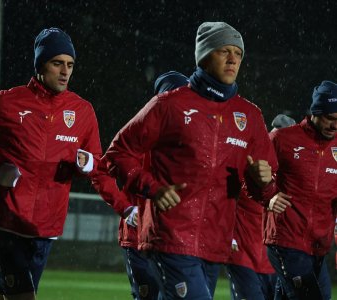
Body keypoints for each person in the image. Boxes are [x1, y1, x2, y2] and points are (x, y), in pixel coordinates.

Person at [105, 21, 277, 299]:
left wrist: (264, 184)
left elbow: (263, 191)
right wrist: (152, 188)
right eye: (224, 51)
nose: (233, 59)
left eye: (238, 53)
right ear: (204, 56)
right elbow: (117, 154)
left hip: (214, 243)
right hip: (170, 237)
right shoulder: (169, 105)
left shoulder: (250, 116)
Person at [0, 27, 129, 300]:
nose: (65, 71)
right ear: (40, 64)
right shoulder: (6, 102)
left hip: (46, 227)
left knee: (8, 296)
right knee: (23, 296)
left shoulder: (82, 111)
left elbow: (96, 167)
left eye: (70, 65)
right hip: (5, 223)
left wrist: (88, 167)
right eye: (57, 63)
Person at [117, 71, 189, 300]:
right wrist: (127, 209)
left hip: (172, 237)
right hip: (138, 234)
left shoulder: (188, 142)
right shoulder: (137, 136)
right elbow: (108, 168)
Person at [264, 81, 337, 300]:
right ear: (315, 112)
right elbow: (251, 174)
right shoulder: (283, 139)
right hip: (286, 239)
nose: (335, 126)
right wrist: (269, 197)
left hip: (318, 245)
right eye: (330, 118)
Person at [227, 115, 296, 300]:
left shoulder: (294, 176)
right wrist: (228, 237)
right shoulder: (247, 162)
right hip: (242, 254)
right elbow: (224, 200)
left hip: (273, 261)